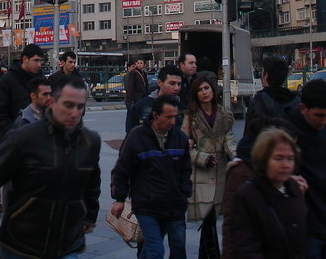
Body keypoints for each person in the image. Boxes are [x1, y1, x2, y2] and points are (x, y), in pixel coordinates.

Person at [0, 74, 101, 259]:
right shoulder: (23, 139)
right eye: (68, 105)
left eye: (80, 107)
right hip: (21, 245)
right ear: (52, 102)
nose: (74, 113)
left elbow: (92, 182)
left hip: (67, 245)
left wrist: (89, 216)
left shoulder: (90, 142)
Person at [111, 95, 192, 259]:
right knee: (156, 249)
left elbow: (185, 168)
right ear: (155, 115)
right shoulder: (137, 137)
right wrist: (119, 198)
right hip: (147, 205)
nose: (172, 121)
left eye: (175, 117)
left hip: (175, 204)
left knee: (178, 247)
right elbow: (122, 170)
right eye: (168, 117)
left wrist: (185, 190)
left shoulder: (179, 138)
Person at [285, 79, 326, 258]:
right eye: (319, 115)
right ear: (303, 108)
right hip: (303, 227)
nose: (325, 121)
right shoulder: (286, 131)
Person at [223, 128, 307, 259]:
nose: (285, 165)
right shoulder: (248, 194)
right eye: (278, 158)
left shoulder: (294, 189)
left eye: (290, 158)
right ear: (263, 159)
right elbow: (244, 246)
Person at [181, 77, 236, 259]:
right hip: (201, 173)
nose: (204, 92)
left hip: (220, 172)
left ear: (213, 90)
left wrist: (236, 157)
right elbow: (184, 146)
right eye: (200, 89)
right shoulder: (191, 115)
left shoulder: (224, 114)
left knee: (211, 219)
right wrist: (202, 157)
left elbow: (229, 140)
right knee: (208, 218)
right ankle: (213, 255)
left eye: (207, 88)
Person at [236, 58, 300, 160]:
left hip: (264, 159)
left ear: (266, 76)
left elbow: (248, 136)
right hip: (289, 160)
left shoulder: (258, 100)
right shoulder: (296, 101)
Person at [0, 44, 45, 142]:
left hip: (38, 137)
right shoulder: (7, 80)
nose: (39, 64)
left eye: (40, 61)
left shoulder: (41, 79)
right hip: (13, 139)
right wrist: (12, 133)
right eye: (36, 60)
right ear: (25, 59)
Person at [125, 64, 184, 132]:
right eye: (172, 83)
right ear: (159, 82)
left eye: (179, 84)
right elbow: (131, 135)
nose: (176, 88)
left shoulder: (183, 107)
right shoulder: (141, 106)